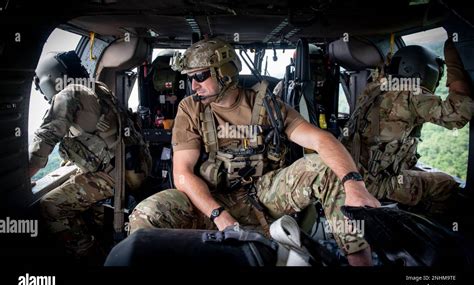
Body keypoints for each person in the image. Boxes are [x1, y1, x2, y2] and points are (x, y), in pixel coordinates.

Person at [128, 38, 380, 266]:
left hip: (263, 193)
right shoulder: (190, 108)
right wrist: (219, 215)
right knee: (145, 214)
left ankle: (360, 261)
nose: (193, 85)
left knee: (326, 166)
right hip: (211, 199)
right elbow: (182, 173)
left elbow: (321, 139)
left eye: (201, 76)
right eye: (191, 77)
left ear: (225, 73)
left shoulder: (267, 106)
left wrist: (354, 185)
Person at [30, 51, 151, 260]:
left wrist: (24, 174)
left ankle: (89, 257)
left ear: (50, 80)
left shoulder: (68, 94)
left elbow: (46, 137)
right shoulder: (98, 88)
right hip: (136, 167)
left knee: (50, 206)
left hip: (116, 175)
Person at [341, 38, 473, 217]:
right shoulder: (412, 94)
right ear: (425, 72)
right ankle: (424, 229)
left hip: (348, 177)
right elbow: (458, 114)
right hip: (374, 185)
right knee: (445, 183)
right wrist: (454, 58)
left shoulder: (373, 88)